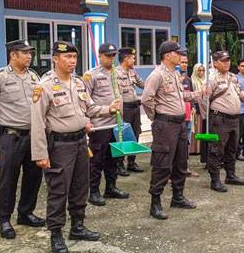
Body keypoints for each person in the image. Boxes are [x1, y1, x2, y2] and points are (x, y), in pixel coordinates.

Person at [31, 41, 120, 253]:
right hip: (59, 146)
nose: (71, 61)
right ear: (54, 58)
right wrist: (40, 154)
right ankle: (56, 234)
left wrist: (108, 108)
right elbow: (37, 123)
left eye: (74, 57)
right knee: (59, 190)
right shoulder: (44, 86)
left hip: (81, 142)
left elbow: (89, 108)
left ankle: (77, 227)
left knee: (81, 187)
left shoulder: (79, 83)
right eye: (67, 57)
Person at [0, 40, 44, 239]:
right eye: (24, 53)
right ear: (13, 55)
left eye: (30, 53)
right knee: (8, 178)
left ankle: (25, 213)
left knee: (33, 176)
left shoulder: (34, 76)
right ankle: (4, 219)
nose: (29, 56)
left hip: (33, 136)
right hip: (11, 136)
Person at [141, 40, 201, 220]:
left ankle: (178, 197)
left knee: (180, 162)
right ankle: (155, 202)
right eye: (177, 53)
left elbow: (180, 96)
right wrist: (157, 118)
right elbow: (146, 99)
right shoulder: (156, 75)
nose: (181, 56)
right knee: (162, 163)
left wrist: (198, 94)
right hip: (165, 125)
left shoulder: (175, 74)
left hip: (180, 123)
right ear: (168, 55)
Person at [204, 51, 244, 192]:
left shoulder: (232, 77)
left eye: (228, 60)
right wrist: (207, 117)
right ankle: (215, 180)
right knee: (216, 150)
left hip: (235, 119)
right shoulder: (211, 78)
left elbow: (239, 93)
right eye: (223, 60)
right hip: (219, 119)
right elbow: (204, 100)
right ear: (215, 63)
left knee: (232, 148)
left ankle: (230, 175)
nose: (227, 62)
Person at [84, 43, 129, 206]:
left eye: (113, 55)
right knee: (97, 160)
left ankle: (111, 187)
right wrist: (106, 110)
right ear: (100, 55)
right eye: (108, 55)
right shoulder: (91, 76)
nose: (111, 58)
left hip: (116, 125)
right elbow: (86, 103)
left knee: (113, 158)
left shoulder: (119, 73)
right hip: (100, 125)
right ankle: (94, 191)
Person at [116, 47, 144, 176]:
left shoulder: (133, 72)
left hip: (135, 107)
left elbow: (142, 84)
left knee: (136, 133)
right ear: (126, 58)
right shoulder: (116, 73)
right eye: (132, 58)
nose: (134, 60)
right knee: (123, 135)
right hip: (124, 108)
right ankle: (119, 163)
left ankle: (131, 162)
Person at [178, 54, 199, 177]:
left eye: (186, 62)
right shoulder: (173, 78)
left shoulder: (188, 79)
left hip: (187, 116)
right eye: (182, 62)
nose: (184, 64)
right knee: (176, 145)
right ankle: (172, 172)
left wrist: (193, 108)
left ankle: (185, 167)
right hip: (177, 117)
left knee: (187, 142)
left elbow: (191, 96)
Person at [190, 63, 206, 158]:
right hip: (195, 107)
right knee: (195, 128)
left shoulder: (206, 81)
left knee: (202, 127)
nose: (201, 72)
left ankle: (200, 148)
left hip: (204, 107)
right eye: (199, 70)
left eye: (203, 70)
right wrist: (193, 106)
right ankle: (194, 148)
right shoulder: (192, 80)